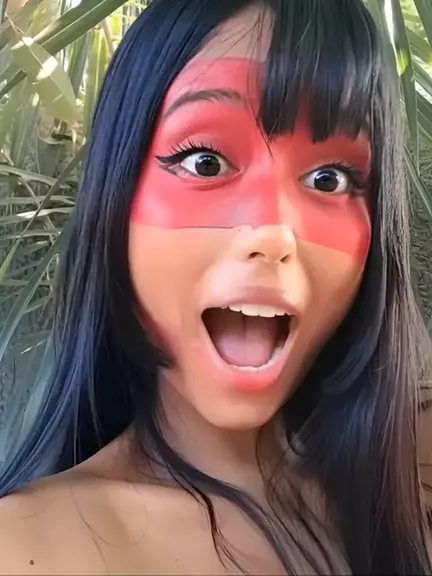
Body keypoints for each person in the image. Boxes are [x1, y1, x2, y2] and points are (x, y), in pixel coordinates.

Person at [0, 0, 431, 573]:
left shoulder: (402, 492)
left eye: (329, 178)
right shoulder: (25, 546)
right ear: (115, 196)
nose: (273, 233)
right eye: (204, 162)